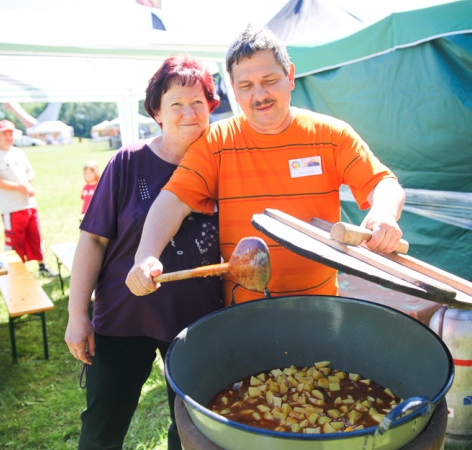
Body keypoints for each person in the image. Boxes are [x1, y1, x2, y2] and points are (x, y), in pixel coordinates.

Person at [126, 25, 405, 304]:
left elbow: (384, 183)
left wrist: (383, 212)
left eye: (269, 80)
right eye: (246, 86)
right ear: (234, 90)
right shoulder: (216, 142)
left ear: (290, 76)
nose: (259, 95)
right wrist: (146, 255)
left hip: (321, 302)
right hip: (244, 306)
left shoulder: (331, 135)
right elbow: (173, 200)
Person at [64, 55, 223, 450]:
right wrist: (76, 314)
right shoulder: (128, 162)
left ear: (211, 107)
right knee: (103, 426)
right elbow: (93, 240)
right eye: (176, 104)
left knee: (189, 431)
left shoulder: (225, 166)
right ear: (156, 111)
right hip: (122, 319)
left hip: (195, 325)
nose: (189, 113)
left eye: (198, 103)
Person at [0, 120, 56, 277]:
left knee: (35, 237)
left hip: (29, 204)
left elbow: (30, 171)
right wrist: (19, 186)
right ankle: (17, 272)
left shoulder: (18, 152)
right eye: (5, 134)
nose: (8, 137)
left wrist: (27, 181)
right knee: (15, 241)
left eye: (10, 133)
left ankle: (42, 266)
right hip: (11, 206)